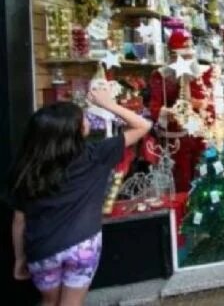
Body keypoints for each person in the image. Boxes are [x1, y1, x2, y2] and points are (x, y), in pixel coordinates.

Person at [11, 86, 152, 306]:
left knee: (48, 302)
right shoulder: (95, 155)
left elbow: (20, 219)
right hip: (83, 246)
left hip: (42, 249)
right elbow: (143, 125)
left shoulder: (28, 167)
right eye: (83, 118)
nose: (87, 120)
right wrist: (108, 103)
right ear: (76, 130)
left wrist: (19, 258)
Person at [149, 27, 214, 192]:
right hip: (175, 138)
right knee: (180, 180)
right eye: (183, 53)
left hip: (199, 135)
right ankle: (182, 211)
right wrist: (167, 113)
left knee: (204, 174)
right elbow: (155, 106)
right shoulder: (161, 76)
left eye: (190, 51)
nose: (188, 56)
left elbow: (211, 101)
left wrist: (201, 105)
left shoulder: (205, 73)